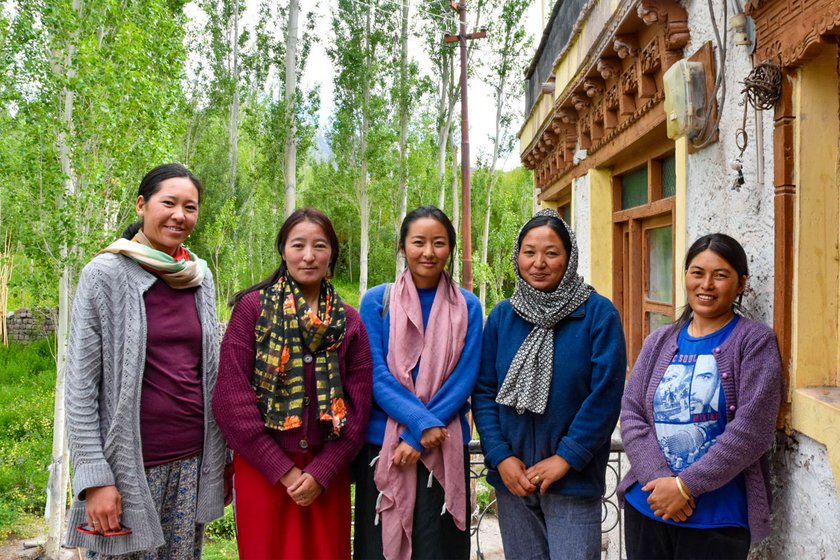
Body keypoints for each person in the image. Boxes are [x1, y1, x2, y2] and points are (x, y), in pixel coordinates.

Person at [64, 163, 229, 558]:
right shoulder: (104, 273)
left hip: (192, 464)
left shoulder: (198, 276)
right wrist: (94, 479)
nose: (179, 215)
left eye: (190, 207)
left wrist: (222, 460)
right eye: (168, 203)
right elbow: (81, 386)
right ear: (142, 204)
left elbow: (210, 372)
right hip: (126, 470)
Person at [212, 208, 373, 560]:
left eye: (320, 245)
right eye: (298, 244)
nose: (309, 255)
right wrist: (282, 470)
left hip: (325, 475)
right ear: (283, 250)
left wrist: (323, 471)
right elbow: (230, 399)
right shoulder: (252, 310)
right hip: (263, 470)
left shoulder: (350, 321)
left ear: (332, 254)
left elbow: (359, 408)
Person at [472, 208, 627, 560]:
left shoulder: (597, 315)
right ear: (517, 255)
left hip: (572, 481)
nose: (538, 262)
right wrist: (501, 457)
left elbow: (605, 396)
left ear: (569, 258)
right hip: (514, 481)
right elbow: (483, 391)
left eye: (551, 253)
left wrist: (565, 458)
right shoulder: (502, 317)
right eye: (529, 252)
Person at [619, 233, 783, 559]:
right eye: (697, 273)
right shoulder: (659, 341)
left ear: (741, 283)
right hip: (649, 504)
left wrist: (685, 487)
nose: (706, 284)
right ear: (685, 277)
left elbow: (752, 430)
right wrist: (660, 480)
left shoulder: (755, 341)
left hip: (717, 520)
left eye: (720, 275)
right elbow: (632, 411)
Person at [353, 205, 483, 560]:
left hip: (441, 446)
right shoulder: (377, 301)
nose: (429, 252)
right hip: (384, 450)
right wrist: (421, 424)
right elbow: (375, 374)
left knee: (437, 549)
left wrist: (417, 435)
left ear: (450, 249)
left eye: (439, 243)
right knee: (378, 549)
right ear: (403, 247)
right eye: (419, 242)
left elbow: (464, 377)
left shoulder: (468, 306)